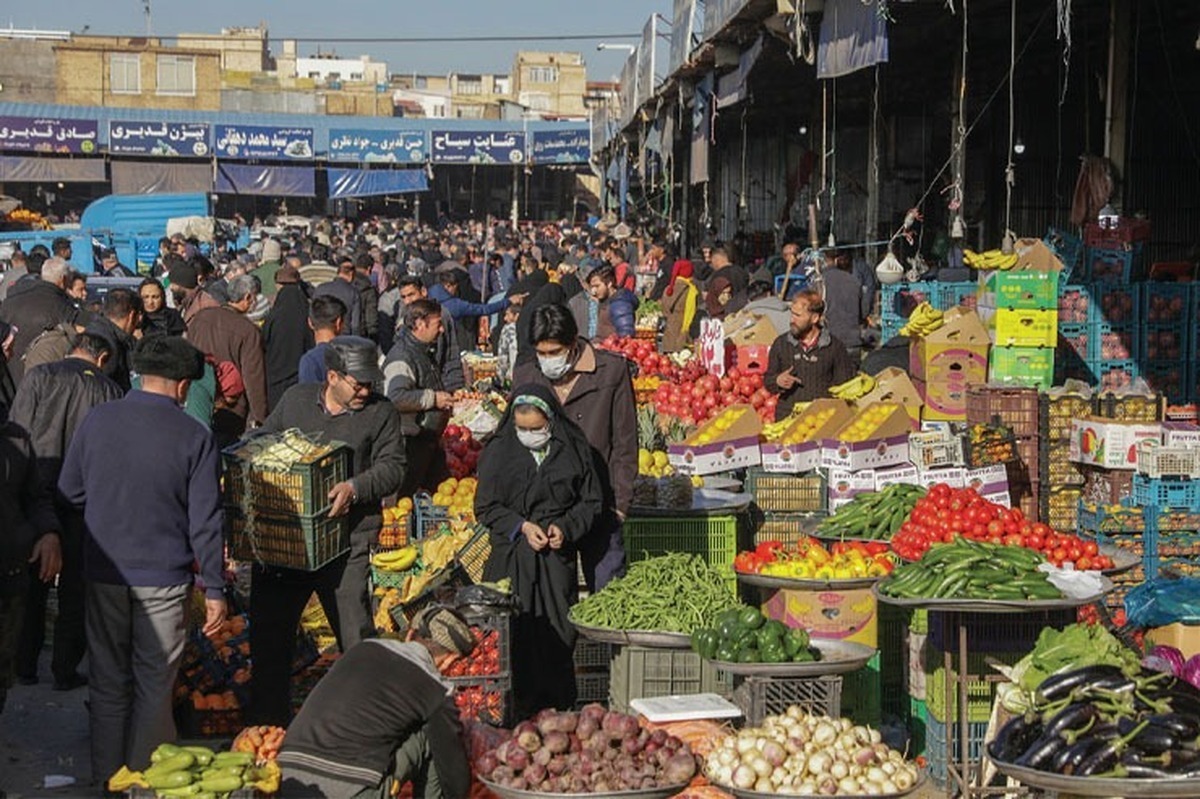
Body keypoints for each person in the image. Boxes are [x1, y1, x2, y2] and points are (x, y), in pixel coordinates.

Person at [57, 336, 226, 780]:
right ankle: (145, 781)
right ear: (184, 385)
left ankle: (107, 778)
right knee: (155, 685)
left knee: (109, 681)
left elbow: (70, 491)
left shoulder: (98, 419)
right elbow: (205, 520)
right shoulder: (195, 435)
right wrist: (215, 586)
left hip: (105, 571)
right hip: (164, 579)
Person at [251, 337, 405, 726]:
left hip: (347, 542)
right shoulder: (297, 400)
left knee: (355, 637)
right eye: (359, 384)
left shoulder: (380, 412)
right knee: (270, 639)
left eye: (371, 384)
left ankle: (364, 723)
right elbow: (266, 438)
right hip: (289, 545)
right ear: (332, 376)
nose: (366, 391)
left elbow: (393, 468)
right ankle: (269, 727)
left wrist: (355, 487)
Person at [476, 387, 603, 715]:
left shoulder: (574, 449)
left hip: (554, 561)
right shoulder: (499, 451)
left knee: (557, 634)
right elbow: (486, 507)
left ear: (551, 421)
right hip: (511, 558)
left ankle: (558, 708)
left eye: (537, 428)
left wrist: (566, 527)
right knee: (513, 636)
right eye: (523, 429)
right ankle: (513, 711)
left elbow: (590, 502)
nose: (530, 435)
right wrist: (520, 526)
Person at [10, 326, 123, 691]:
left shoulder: (40, 376)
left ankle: (23, 663)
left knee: (32, 583)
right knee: (75, 587)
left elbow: (17, 429)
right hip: (81, 501)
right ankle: (64, 668)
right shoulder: (108, 390)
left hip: (33, 490)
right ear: (102, 359)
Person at [278, 607, 475, 799]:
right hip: (348, 790)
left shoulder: (362, 649)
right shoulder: (436, 689)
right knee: (431, 736)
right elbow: (453, 772)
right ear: (450, 659)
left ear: (410, 634)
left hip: (285, 779)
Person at [513, 305, 636, 592]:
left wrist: (620, 505)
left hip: (600, 502)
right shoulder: (527, 375)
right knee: (553, 599)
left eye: (553, 352)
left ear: (573, 343)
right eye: (541, 353)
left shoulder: (610, 371)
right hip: (547, 507)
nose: (547, 360)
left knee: (608, 593)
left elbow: (625, 443)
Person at [186, 274, 269, 444]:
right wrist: (260, 419)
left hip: (197, 400)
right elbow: (254, 379)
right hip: (231, 409)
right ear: (248, 297)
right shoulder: (248, 331)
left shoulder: (201, 318)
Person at [382, 300, 453, 498]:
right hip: (409, 442)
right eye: (437, 324)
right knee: (405, 499)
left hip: (425, 439)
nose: (441, 330)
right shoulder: (402, 357)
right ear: (420, 324)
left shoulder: (422, 350)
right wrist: (433, 398)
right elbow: (395, 396)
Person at [764, 290, 857, 420]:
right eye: (792, 314)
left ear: (814, 318)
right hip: (787, 417)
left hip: (821, 418)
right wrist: (777, 381)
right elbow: (768, 380)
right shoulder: (781, 344)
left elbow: (844, 385)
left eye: (798, 315)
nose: (792, 320)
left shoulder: (834, 347)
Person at [0, 256, 80, 384]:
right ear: (63, 280)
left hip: (8, 377)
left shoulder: (10, 302)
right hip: (43, 380)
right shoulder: (61, 307)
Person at [395, 276, 464, 391]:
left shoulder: (439, 316)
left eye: (411, 295)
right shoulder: (404, 316)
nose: (407, 301)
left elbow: (451, 354)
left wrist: (453, 389)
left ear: (423, 292)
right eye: (404, 297)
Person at [262, 264, 314, 409]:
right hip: (301, 380)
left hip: (275, 379)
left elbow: (264, 343)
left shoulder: (274, 314)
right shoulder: (306, 310)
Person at [428, 270, 510, 350]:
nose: (456, 292)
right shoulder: (455, 304)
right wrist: (507, 302)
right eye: (455, 289)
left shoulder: (428, 297)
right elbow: (483, 309)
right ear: (448, 286)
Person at [568, 265, 638, 340]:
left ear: (609, 283)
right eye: (592, 287)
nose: (594, 291)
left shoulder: (619, 303)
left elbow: (626, 335)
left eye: (597, 286)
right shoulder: (605, 300)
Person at [820, 255, 869, 359]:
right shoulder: (854, 280)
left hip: (827, 342)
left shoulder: (819, 281)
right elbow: (864, 312)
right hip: (852, 341)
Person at [298, 296, 347, 386]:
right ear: (338, 323)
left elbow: (308, 397)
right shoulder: (352, 354)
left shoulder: (310, 360)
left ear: (310, 322)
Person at [314, 256, 365, 337]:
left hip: (321, 334)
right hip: (344, 336)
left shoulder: (320, 289)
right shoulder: (353, 292)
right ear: (351, 274)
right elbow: (355, 325)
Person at [168, 258, 221, 326]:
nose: (170, 287)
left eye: (173, 284)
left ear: (183, 284)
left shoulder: (205, 306)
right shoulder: (186, 303)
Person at [661, 259, 700, 353]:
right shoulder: (690, 290)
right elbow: (692, 315)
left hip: (668, 336)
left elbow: (664, 310)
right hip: (682, 336)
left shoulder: (668, 288)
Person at [709, 247, 749, 313]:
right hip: (742, 309)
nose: (712, 265)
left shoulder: (717, 276)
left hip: (725, 312)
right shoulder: (742, 272)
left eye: (712, 262)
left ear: (716, 260)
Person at [352, 253, 380, 342]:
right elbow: (371, 316)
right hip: (361, 332)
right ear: (369, 269)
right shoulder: (368, 289)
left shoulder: (346, 283)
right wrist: (373, 336)